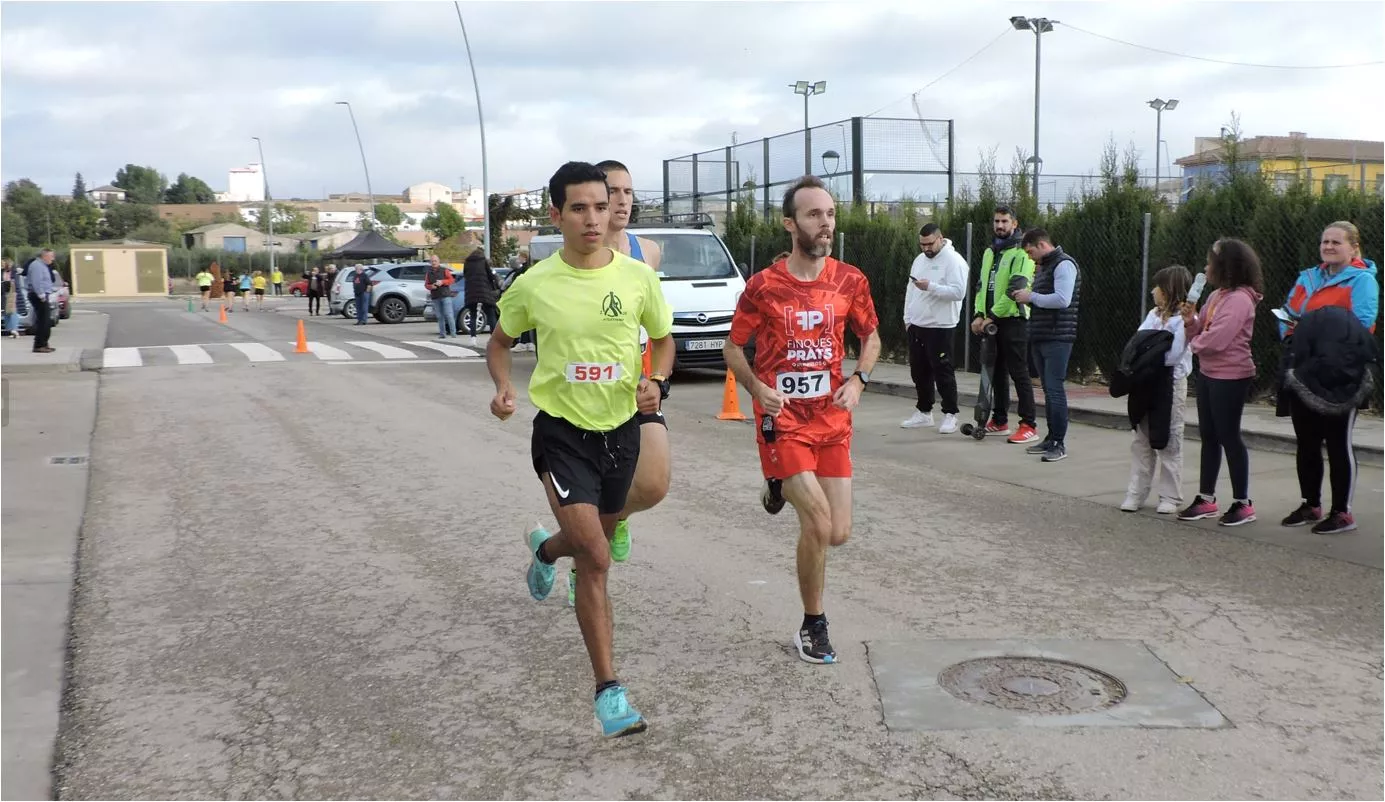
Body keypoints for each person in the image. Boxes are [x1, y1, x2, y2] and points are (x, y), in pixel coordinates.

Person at [486, 161, 673, 737]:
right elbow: (499, 342)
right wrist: (504, 386)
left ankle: (545, 553)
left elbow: (664, 343)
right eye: (579, 208)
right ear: (557, 214)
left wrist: (657, 384)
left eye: (601, 205)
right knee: (596, 556)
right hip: (562, 432)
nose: (593, 218)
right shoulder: (535, 283)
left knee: (588, 545)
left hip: (621, 432)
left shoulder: (637, 279)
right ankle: (608, 691)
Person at [723, 175, 881, 665]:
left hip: (831, 420)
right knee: (816, 519)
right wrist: (756, 388)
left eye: (830, 213)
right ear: (790, 224)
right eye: (814, 215)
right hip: (782, 420)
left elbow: (872, 337)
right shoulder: (764, 287)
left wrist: (859, 381)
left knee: (838, 533)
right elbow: (733, 345)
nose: (826, 223)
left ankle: (776, 484)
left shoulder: (850, 280)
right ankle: (814, 625)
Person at [559, 158, 668, 605]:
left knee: (655, 484)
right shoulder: (579, 253)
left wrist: (658, 378)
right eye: (613, 193)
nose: (622, 201)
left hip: (640, 387)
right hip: (588, 396)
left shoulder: (650, 251)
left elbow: (657, 324)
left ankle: (613, 521)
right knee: (589, 502)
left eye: (628, 192)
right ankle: (579, 564)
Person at [1275, 221, 1379, 535]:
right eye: (1325, 242)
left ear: (1353, 247)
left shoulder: (1362, 281)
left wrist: (1312, 330)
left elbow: (1359, 322)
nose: (1329, 247)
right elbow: (1288, 313)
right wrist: (1294, 332)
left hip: (1341, 374)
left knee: (1337, 443)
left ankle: (1342, 512)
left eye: (1336, 242)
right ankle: (1311, 503)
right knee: (1306, 442)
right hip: (1304, 369)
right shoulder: (1308, 277)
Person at [1177, 238, 1264, 526]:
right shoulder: (1217, 296)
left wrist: (1196, 341)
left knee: (1229, 436)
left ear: (1225, 266)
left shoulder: (1240, 299)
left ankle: (1243, 502)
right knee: (1209, 436)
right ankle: (1206, 498)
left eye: (1210, 262)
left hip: (1231, 375)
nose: (1206, 267)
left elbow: (1217, 339)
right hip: (1210, 373)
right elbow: (1202, 329)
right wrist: (1190, 321)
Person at [1120, 265, 1193, 514]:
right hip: (1146, 381)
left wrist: (1152, 351)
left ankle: (1170, 496)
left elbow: (1173, 355)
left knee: (1169, 438)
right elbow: (1139, 341)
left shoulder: (1182, 321)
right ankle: (1136, 492)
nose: (1154, 291)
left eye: (1158, 287)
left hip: (1170, 383)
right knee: (1141, 438)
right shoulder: (1153, 315)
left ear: (1169, 290)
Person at [1011, 228, 1081, 462]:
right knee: (1048, 390)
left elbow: (1063, 299)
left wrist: (1030, 297)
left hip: (1058, 337)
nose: (1030, 257)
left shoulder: (1064, 264)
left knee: (1054, 389)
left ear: (1041, 245)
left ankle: (1059, 443)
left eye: (1031, 251)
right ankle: (1051, 438)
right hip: (1041, 335)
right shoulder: (1044, 267)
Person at [970, 205, 1039, 444]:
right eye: (997, 221)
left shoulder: (1021, 253)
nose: (1000, 226)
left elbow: (1015, 288)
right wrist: (979, 313)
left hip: (1013, 320)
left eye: (1004, 222)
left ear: (1014, 224)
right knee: (996, 371)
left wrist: (991, 316)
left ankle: (1029, 424)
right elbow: (981, 286)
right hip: (991, 321)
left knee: (1019, 373)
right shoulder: (990, 252)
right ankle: (999, 421)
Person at [900, 222, 966, 434]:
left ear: (940, 239)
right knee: (919, 371)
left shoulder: (954, 261)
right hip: (917, 324)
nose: (926, 248)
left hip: (941, 325)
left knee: (943, 370)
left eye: (929, 244)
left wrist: (931, 287)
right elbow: (910, 289)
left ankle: (950, 414)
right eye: (922, 244)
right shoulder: (919, 260)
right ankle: (923, 412)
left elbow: (958, 292)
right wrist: (907, 318)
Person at [462, 249, 499, 347]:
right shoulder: (483, 261)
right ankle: (493, 338)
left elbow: (465, 275)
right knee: (491, 314)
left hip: (471, 292)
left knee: (473, 315)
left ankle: (473, 339)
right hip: (484, 291)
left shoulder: (467, 262)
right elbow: (490, 275)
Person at [26, 249, 58, 353]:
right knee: (43, 321)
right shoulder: (37, 266)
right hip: (38, 295)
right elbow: (37, 281)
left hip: (42, 294)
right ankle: (39, 345)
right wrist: (41, 295)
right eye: (51, 256)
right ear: (44, 256)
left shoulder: (42, 266)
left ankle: (44, 343)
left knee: (45, 321)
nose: (53, 259)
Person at [424, 255, 456, 337]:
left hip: (445, 295)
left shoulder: (444, 270)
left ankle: (453, 334)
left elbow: (451, 280)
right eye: (432, 261)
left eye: (435, 261)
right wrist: (431, 286)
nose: (434, 263)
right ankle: (442, 334)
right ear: (430, 262)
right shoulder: (429, 273)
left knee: (449, 315)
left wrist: (442, 282)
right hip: (435, 296)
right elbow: (426, 284)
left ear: (439, 261)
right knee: (439, 316)